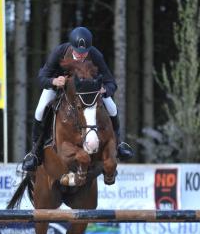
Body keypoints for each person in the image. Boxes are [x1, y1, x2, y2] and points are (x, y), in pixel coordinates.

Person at [22, 26, 133, 172]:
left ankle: (119, 144)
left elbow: (111, 82)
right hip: (61, 89)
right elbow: (41, 77)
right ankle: (35, 153)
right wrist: (53, 81)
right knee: (40, 110)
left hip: (88, 92)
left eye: (84, 52)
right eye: (78, 51)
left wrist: (105, 90)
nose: (81, 55)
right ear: (71, 46)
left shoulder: (95, 55)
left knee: (112, 107)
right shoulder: (60, 52)